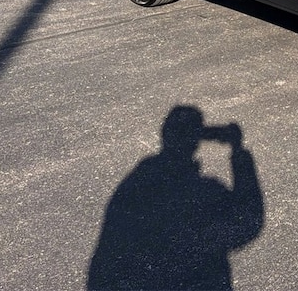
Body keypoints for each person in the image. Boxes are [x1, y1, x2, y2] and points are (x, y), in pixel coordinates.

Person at [88, 106, 264, 290]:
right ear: (198, 141)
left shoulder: (133, 187)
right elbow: (247, 223)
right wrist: (239, 152)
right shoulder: (205, 194)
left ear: (165, 135)